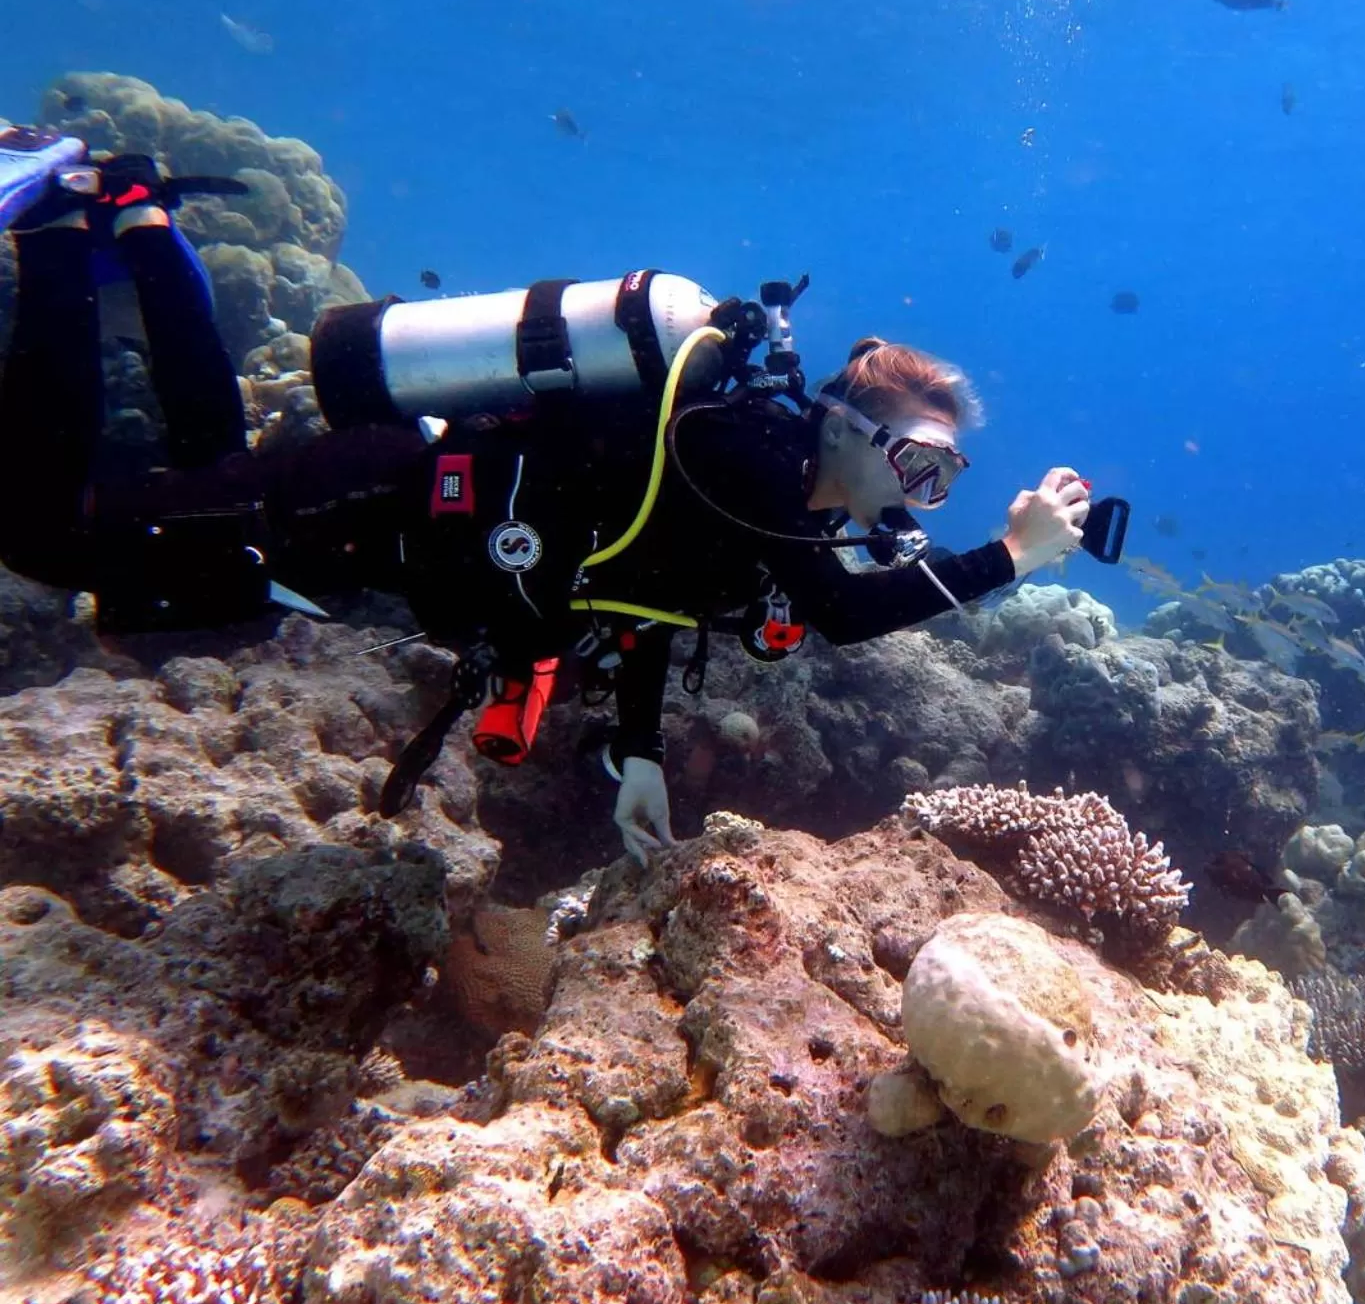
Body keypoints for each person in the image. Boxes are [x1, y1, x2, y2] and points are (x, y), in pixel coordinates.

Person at [0, 139, 1094, 864]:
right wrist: (1008, 556)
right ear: (850, 424)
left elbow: (650, 596)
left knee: (202, 451)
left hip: (377, 537)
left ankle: (135, 210)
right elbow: (846, 618)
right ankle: (54, 216)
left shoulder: (774, 500)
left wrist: (642, 753)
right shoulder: (753, 453)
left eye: (941, 480)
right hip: (363, 508)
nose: (922, 495)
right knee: (44, 536)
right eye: (915, 462)